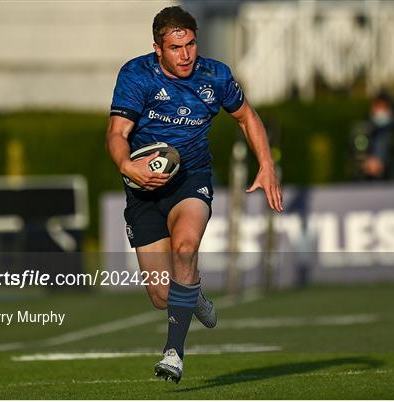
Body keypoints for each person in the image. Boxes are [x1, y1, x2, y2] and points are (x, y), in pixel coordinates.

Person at [106, 6, 283, 383]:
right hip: (144, 189)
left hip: (191, 178)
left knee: (185, 249)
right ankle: (193, 292)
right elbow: (117, 134)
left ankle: (173, 353)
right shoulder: (136, 75)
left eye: (190, 44)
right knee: (160, 295)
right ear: (158, 48)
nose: (185, 55)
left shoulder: (215, 74)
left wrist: (266, 164)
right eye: (175, 47)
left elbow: (247, 116)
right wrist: (127, 166)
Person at [362, 90, 394, 181]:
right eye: (376, 107)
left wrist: (382, 166)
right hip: (371, 182)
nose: (378, 111)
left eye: (381, 107)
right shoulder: (369, 129)